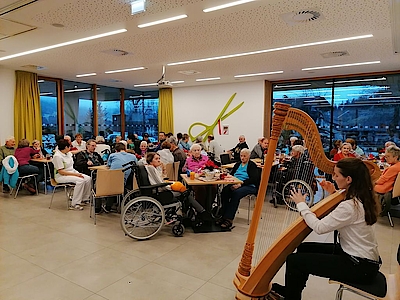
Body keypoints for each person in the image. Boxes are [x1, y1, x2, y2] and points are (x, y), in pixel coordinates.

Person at [271, 157, 380, 300]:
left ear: (348, 179)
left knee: (295, 260)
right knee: (304, 248)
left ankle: (292, 297)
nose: (333, 178)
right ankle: (292, 291)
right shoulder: (360, 196)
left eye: (336, 175)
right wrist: (333, 193)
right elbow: (343, 216)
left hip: (359, 266)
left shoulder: (350, 206)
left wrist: (301, 204)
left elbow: (319, 227)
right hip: (362, 259)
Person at [145, 152, 210, 219]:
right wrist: (171, 186)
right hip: (160, 192)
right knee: (186, 194)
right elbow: (160, 184)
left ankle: (200, 212)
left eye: (159, 158)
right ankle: (202, 212)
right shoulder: (152, 169)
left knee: (186, 193)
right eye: (156, 159)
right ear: (150, 161)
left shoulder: (149, 168)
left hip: (158, 190)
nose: (159, 160)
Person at [217, 149, 261, 228]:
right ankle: (223, 215)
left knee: (236, 194)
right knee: (224, 191)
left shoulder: (252, 165)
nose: (242, 158)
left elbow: (254, 179)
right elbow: (232, 174)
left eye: (244, 156)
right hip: (235, 183)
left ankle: (229, 219)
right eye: (241, 156)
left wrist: (241, 184)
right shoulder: (237, 164)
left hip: (249, 185)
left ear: (249, 156)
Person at [53, 139, 92, 210]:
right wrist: (76, 175)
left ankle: (84, 198)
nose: (70, 148)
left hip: (72, 172)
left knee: (88, 178)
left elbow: (73, 152)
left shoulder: (67, 153)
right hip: (61, 176)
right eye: (69, 147)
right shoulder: (57, 156)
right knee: (80, 181)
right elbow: (61, 171)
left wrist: (81, 150)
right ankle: (75, 203)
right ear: (65, 147)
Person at [183, 143, 216, 208]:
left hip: (207, 178)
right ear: (191, 152)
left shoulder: (206, 158)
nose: (197, 152)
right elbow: (183, 169)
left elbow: (212, 166)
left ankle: (209, 207)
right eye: (195, 150)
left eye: (198, 150)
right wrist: (188, 171)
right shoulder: (188, 160)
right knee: (201, 189)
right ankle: (201, 209)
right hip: (195, 180)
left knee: (214, 187)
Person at [374, 145, 400, 216]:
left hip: (383, 189)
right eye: (385, 156)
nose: (386, 158)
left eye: (388, 156)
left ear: (396, 157)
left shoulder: (393, 168)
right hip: (391, 190)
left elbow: (380, 181)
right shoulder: (398, 166)